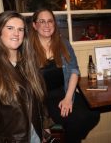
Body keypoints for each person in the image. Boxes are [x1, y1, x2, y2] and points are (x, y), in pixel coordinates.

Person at [29, 8, 100, 143]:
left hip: (64, 92)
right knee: (75, 120)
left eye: (50, 21)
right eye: (42, 21)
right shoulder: (27, 48)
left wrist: (68, 98)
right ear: (34, 25)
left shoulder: (63, 43)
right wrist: (42, 120)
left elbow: (74, 70)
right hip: (43, 100)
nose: (47, 25)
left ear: (54, 24)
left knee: (93, 113)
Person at [0, 11, 44, 142]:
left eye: (20, 29)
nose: (16, 34)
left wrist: (44, 128)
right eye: (10, 28)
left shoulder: (28, 63)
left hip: (35, 135)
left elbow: (37, 101)